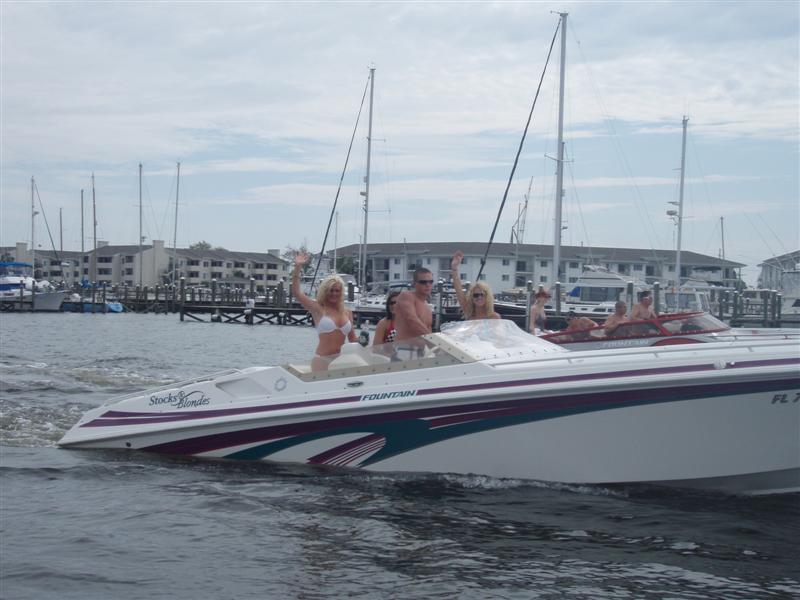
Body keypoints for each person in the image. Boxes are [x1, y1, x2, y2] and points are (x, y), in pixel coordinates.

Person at [291, 252, 357, 371]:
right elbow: (297, 293)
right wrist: (298, 267)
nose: (334, 293)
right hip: (321, 360)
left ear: (341, 292)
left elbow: (352, 339)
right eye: (331, 290)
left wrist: (364, 341)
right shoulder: (317, 308)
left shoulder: (347, 312)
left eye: (337, 291)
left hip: (340, 362)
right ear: (325, 291)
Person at [450, 251, 501, 320]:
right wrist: (454, 268)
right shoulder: (468, 312)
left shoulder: (494, 317)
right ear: (471, 297)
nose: (479, 297)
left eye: (482, 295)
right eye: (476, 295)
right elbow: (459, 291)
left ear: (487, 296)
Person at [394, 267, 434, 341]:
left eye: (430, 282)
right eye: (423, 282)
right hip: (404, 347)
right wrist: (435, 340)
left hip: (421, 348)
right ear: (414, 283)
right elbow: (411, 320)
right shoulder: (406, 296)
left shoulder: (427, 307)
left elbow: (428, 329)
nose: (428, 285)